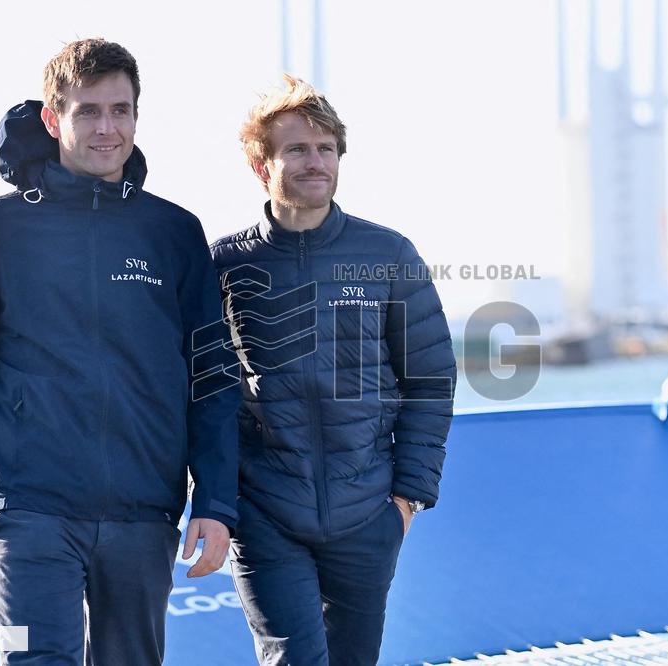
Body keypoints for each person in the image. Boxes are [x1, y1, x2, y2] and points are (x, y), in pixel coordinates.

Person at [0, 38, 239, 665]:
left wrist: (217, 502)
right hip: (30, 503)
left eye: (121, 110)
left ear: (138, 116)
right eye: (88, 110)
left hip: (145, 507)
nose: (107, 128)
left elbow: (213, 378)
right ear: (53, 118)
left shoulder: (173, 231)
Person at [211, 75, 457, 665]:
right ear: (259, 164)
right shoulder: (221, 265)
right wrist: (218, 501)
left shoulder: (388, 255)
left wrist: (406, 499)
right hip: (266, 512)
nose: (314, 161)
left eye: (325, 148)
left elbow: (430, 379)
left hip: (367, 514)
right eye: (296, 148)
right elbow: (202, 393)